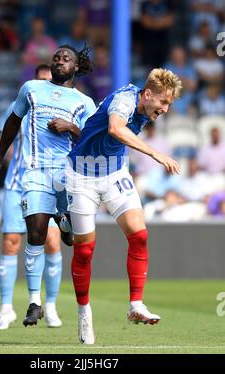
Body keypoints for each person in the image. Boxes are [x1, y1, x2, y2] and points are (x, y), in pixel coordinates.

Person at [66, 68, 182, 344]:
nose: (165, 109)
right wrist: (155, 153)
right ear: (148, 94)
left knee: (139, 235)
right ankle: (84, 315)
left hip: (115, 174)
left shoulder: (146, 107)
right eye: (163, 102)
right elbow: (115, 128)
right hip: (81, 176)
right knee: (84, 251)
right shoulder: (126, 100)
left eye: (169, 104)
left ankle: (136, 306)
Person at [0, 45, 96, 327]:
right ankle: (35, 302)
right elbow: (12, 123)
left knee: (70, 237)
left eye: (66, 58)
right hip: (35, 172)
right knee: (35, 233)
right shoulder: (31, 89)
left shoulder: (84, 102)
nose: (60, 60)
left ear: (76, 67)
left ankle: (65, 220)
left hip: (69, 175)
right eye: (57, 57)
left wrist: (72, 128)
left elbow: (94, 142)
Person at [0, 64, 64, 329]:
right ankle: (6, 308)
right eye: (41, 79)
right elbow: (2, 139)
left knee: (52, 242)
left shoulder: (63, 108)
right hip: (18, 183)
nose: (45, 84)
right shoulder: (23, 104)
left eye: (49, 79)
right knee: (11, 243)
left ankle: (49, 305)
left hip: (49, 184)